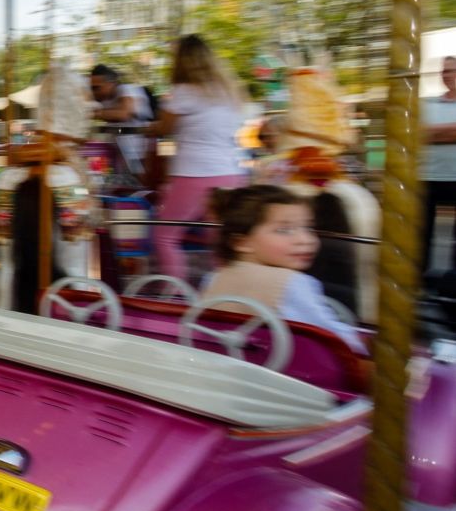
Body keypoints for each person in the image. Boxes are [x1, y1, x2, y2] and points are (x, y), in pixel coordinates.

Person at [199, 185, 366, 354]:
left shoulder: (214, 278)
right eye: (284, 230)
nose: (305, 240)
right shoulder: (293, 283)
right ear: (241, 242)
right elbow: (337, 339)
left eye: (308, 228)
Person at [145, 34, 247, 281]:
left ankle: (177, 299)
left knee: (165, 236)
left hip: (195, 172)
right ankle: (225, 298)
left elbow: (164, 128)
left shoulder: (184, 91)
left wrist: (149, 128)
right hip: (231, 173)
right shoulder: (228, 91)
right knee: (218, 241)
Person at [423, 56, 456, 288]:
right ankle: (418, 283)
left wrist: (435, 133)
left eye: (452, 70)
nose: (447, 75)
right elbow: (417, 134)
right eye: (444, 71)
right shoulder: (428, 105)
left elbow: (429, 134)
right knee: (421, 233)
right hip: (428, 177)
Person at [88, 64, 154, 176]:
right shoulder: (103, 99)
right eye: (92, 88)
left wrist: (93, 113)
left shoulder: (126, 89)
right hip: (121, 150)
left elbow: (124, 114)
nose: (94, 91)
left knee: (139, 181)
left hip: (139, 150)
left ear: (111, 83)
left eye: (97, 87)